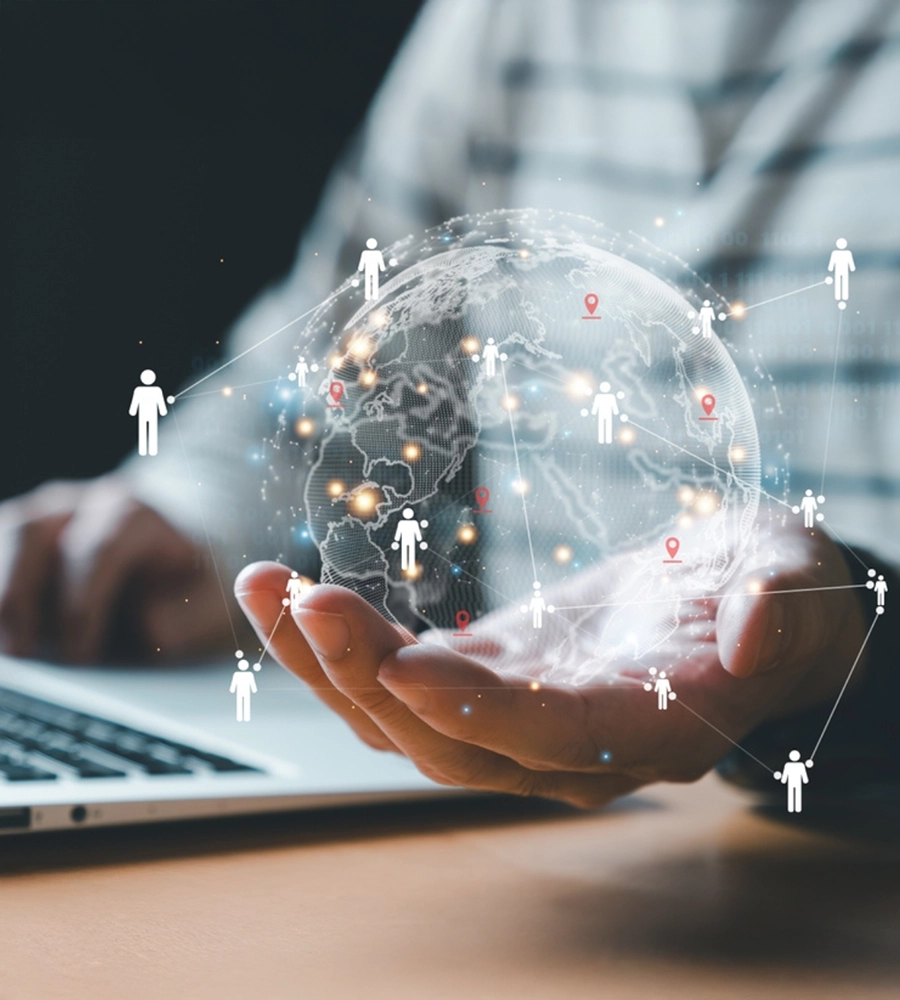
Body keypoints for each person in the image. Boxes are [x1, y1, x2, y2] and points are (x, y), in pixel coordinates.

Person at [2, 0, 899, 811]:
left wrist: (863, 634)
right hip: (545, 845)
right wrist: (185, 519)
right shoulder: (499, 22)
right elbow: (327, 363)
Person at [128, 369, 168, 457]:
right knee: (148, 431)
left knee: (147, 431)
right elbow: (135, 402)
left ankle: (146, 450)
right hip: (148, 414)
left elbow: (160, 401)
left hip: (147, 414)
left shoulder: (142, 390)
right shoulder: (152, 390)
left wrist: (133, 411)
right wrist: (163, 411)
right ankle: (149, 450)